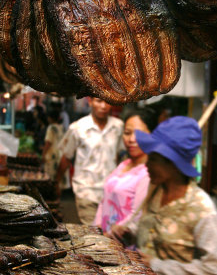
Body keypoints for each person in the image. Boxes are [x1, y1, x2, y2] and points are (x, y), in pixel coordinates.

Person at [112, 116, 217, 275]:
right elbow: (149, 230)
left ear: (174, 165)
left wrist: (158, 266)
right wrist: (129, 234)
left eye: (154, 159)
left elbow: (214, 265)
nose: (147, 165)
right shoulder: (155, 190)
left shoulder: (201, 208)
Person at [55, 97, 124, 225]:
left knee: (109, 234)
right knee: (95, 235)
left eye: (107, 101)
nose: (103, 106)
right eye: (99, 101)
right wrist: (57, 182)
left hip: (111, 192)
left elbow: (119, 156)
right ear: (90, 102)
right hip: (86, 191)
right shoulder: (78, 128)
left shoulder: (118, 127)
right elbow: (66, 157)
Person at [94, 108, 158, 237]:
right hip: (104, 242)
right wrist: (97, 228)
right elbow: (105, 199)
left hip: (124, 248)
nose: (132, 139)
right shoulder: (124, 164)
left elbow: (136, 216)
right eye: (127, 133)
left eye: (139, 134)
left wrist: (108, 236)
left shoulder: (148, 173)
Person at [42, 109, 64, 184]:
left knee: (50, 179)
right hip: (60, 155)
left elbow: (48, 142)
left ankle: (51, 195)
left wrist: (43, 155)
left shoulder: (51, 128)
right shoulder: (61, 127)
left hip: (51, 156)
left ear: (50, 118)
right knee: (58, 181)